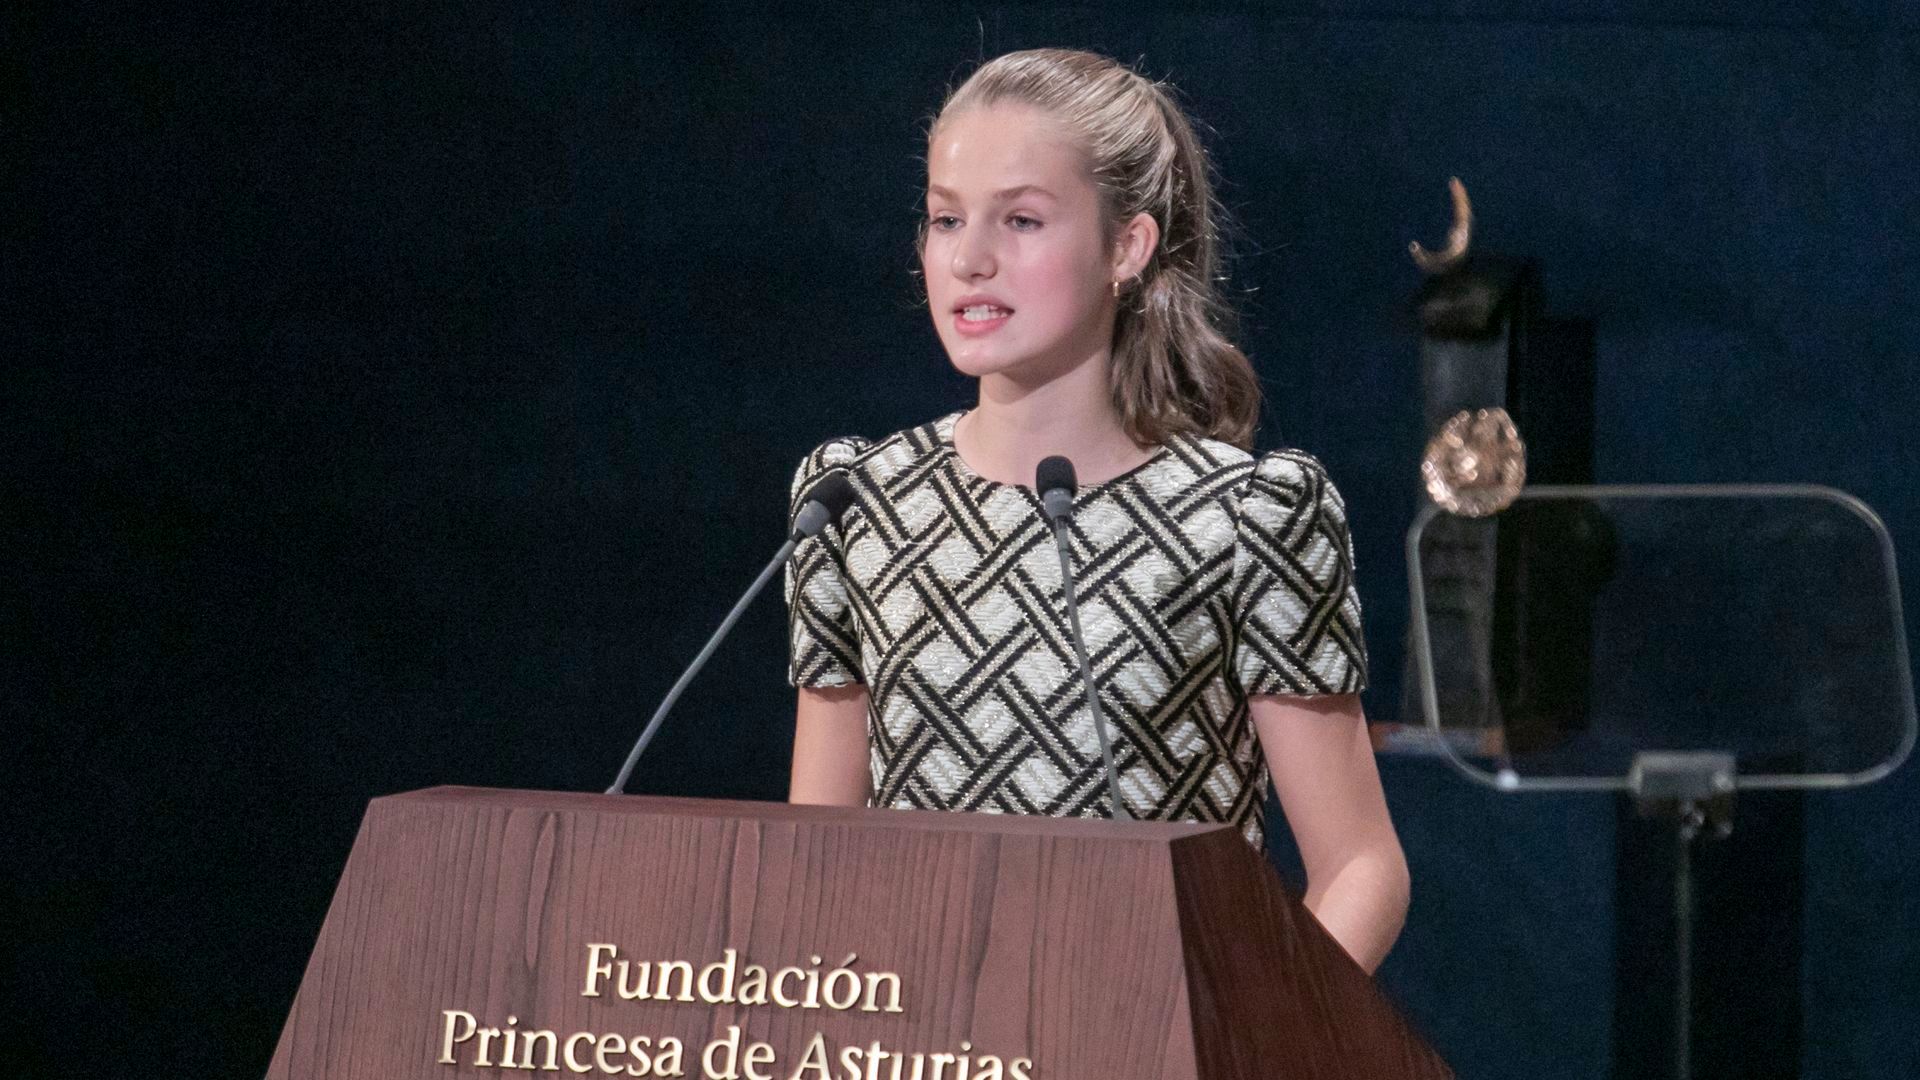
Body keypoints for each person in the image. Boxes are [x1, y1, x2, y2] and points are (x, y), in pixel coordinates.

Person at [781, 48, 1408, 974]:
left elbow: (1360, 866)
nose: (970, 259)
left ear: (1128, 247)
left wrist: (1248, 1034)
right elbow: (816, 860)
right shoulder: (856, 502)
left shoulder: (1246, 519)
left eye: (1022, 220)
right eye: (946, 218)